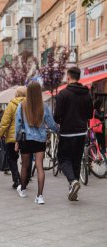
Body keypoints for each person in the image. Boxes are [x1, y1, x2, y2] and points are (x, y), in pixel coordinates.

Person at [54, 67, 93, 201]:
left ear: (68, 77)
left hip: (67, 133)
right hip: (82, 132)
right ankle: (73, 189)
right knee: (76, 160)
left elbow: (57, 115)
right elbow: (89, 114)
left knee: (63, 159)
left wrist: (61, 121)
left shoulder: (63, 94)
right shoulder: (87, 94)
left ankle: (73, 181)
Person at [15, 82, 58, 204]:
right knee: (39, 166)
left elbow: (17, 125)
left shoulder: (22, 105)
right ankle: (39, 196)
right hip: (40, 139)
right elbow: (51, 124)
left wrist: (16, 141)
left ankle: (22, 190)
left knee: (24, 165)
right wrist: (58, 130)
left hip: (26, 139)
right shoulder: (44, 106)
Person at [0, 87, 27, 188]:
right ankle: (25, 180)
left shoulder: (12, 104)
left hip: (12, 137)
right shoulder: (30, 104)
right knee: (26, 159)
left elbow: (5, 122)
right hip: (27, 136)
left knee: (12, 159)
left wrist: (0, 134)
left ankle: (17, 180)